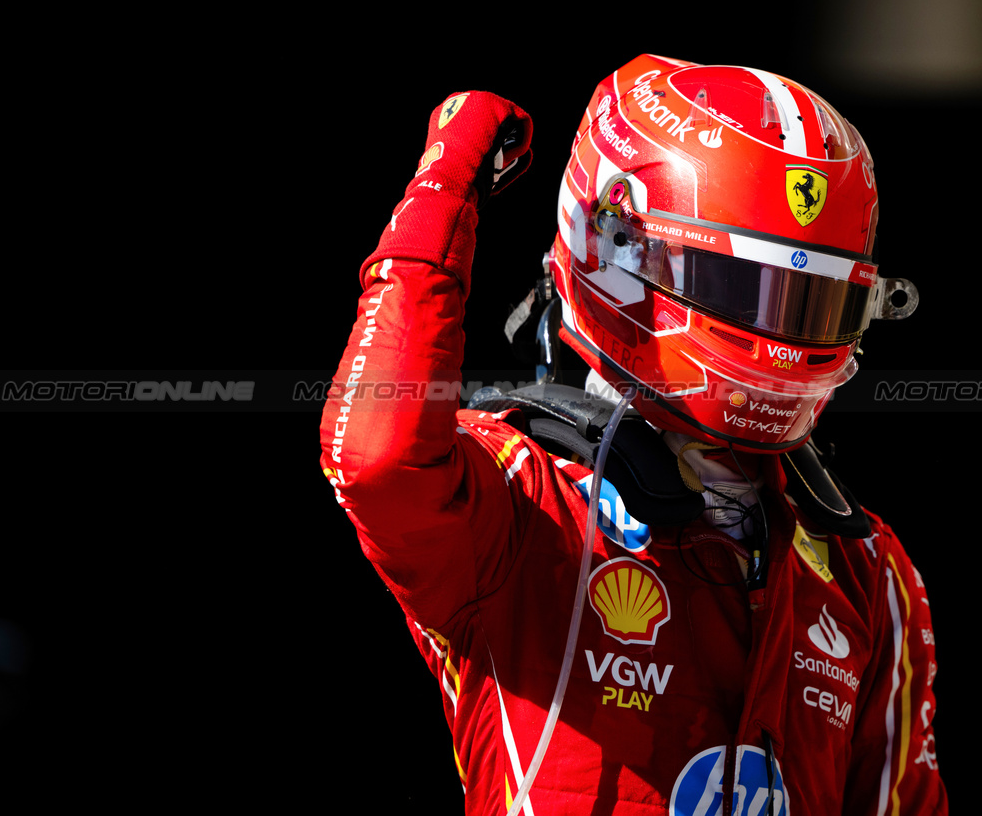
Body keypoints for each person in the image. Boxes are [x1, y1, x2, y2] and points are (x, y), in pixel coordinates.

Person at [318, 54, 948, 815]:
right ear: (609, 248)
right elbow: (377, 459)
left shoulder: (868, 571)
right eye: (745, 289)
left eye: (811, 304)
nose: (780, 343)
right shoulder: (522, 504)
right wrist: (442, 187)